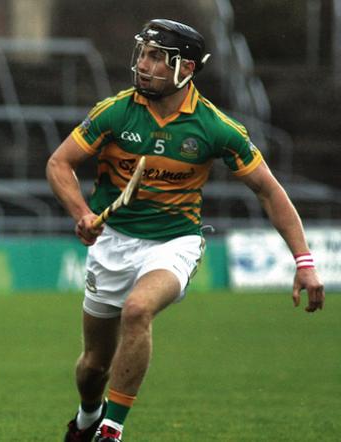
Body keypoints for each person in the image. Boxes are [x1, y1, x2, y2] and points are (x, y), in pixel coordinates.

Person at [46, 19, 325, 442]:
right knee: (93, 365)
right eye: (143, 53)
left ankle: (111, 429)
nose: (144, 64)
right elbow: (58, 163)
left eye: (158, 57)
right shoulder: (116, 111)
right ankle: (88, 415)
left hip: (173, 243)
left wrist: (304, 262)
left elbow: (269, 191)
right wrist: (81, 212)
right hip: (112, 243)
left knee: (138, 310)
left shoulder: (215, 128)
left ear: (186, 69)